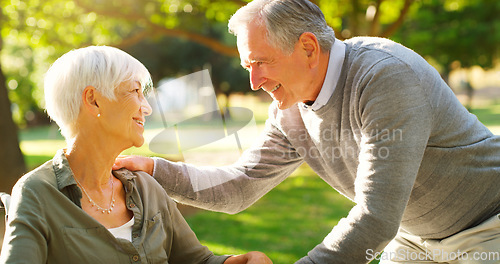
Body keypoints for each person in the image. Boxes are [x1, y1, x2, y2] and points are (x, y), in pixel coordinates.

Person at [114, 0, 500, 263]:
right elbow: (241, 185)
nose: (253, 81)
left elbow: (376, 216)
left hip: (487, 224)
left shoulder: (385, 78)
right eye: (248, 65)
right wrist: (155, 170)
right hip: (414, 236)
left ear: (309, 48)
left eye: (261, 62)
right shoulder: (291, 110)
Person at [0, 46, 273, 264]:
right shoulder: (36, 193)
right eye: (135, 92)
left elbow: (196, 260)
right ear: (93, 99)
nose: (147, 108)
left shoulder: (146, 189)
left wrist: (243, 261)